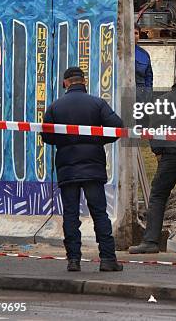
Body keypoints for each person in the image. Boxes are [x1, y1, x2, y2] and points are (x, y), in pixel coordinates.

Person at [41, 66, 123, 272]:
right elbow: (117, 127)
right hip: (93, 167)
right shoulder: (97, 103)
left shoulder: (55, 107)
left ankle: (73, 260)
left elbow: (47, 136)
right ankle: (107, 259)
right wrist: (97, 140)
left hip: (67, 168)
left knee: (70, 214)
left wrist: (65, 141)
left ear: (65, 83)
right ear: (83, 82)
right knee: (99, 213)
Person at [129, 65, 176, 254]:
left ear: (174, 79)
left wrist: (158, 152)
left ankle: (151, 240)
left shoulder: (163, 101)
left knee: (158, 195)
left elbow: (154, 129)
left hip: (170, 155)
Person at [134, 23, 153, 89]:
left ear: (139, 36)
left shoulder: (144, 55)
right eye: (131, 33)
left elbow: (149, 78)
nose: (133, 36)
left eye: (136, 33)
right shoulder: (118, 53)